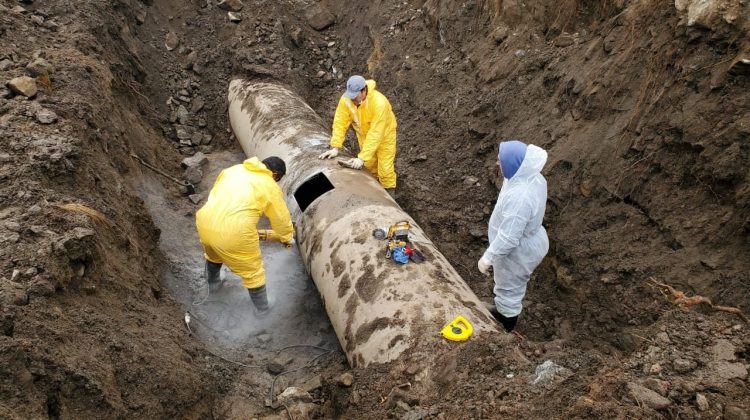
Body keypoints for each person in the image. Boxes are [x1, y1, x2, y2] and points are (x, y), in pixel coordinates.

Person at [195, 156, 294, 315]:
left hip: (205, 222)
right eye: (279, 179)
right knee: (253, 271)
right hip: (236, 232)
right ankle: (263, 309)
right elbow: (281, 219)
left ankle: (213, 284)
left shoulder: (233, 170)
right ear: (275, 174)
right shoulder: (269, 185)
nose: (277, 182)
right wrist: (287, 237)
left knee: (213, 254)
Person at [478, 140, 549, 332]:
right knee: (508, 285)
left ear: (513, 163)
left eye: (501, 160)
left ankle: (505, 325)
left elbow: (509, 238)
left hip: (518, 251)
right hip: (529, 238)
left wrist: (489, 257)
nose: (497, 163)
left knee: (510, 289)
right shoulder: (526, 176)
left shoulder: (521, 197)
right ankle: (503, 310)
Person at [318, 75, 398, 196]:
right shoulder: (346, 100)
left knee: (385, 170)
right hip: (364, 136)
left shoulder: (379, 103)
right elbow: (340, 122)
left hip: (385, 136)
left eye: (355, 97)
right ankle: (374, 193)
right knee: (370, 167)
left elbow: (376, 133)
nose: (353, 100)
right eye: (351, 97)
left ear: (364, 90)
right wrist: (335, 147)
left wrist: (362, 157)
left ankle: (390, 198)